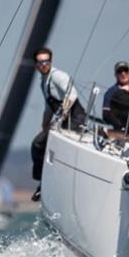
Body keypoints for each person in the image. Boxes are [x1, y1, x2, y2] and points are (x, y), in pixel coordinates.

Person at [30, 47, 86, 201]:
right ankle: (43, 183)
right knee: (39, 144)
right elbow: (48, 107)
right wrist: (44, 125)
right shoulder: (44, 81)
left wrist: (62, 115)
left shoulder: (58, 76)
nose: (44, 64)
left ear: (51, 61)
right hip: (63, 120)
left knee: (39, 144)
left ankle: (44, 184)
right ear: (36, 64)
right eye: (40, 62)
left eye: (46, 61)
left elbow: (72, 94)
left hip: (74, 118)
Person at [102, 61, 129, 130]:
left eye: (126, 70)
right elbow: (106, 114)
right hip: (122, 130)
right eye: (119, 71)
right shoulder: (110, 92)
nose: (123, 73)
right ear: (115, 75)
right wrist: (120, 123)